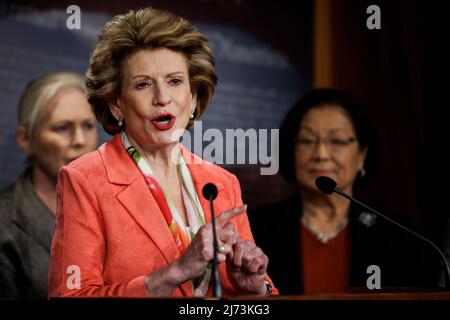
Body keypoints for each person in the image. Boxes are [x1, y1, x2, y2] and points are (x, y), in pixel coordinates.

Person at [48, 7, 277, 298]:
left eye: (175, 81)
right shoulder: (85, 180)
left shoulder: (222, 184)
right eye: (143, 84)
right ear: (116, 103)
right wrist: (174, 273)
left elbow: (260, 296)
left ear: (193, 97)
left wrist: (255, 289)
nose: (162, 98)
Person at [249, 88, 439, 295]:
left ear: (362, 155)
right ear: (290, 150)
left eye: (337, 141)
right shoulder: (254, 230)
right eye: (307, 141)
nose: (321, 154)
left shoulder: (399, 236)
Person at [0, 72, 98, 299]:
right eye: (62, 128)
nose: (79, 140)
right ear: (26, 139)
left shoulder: (117, 205)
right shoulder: (5, 225)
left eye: (88, 126)